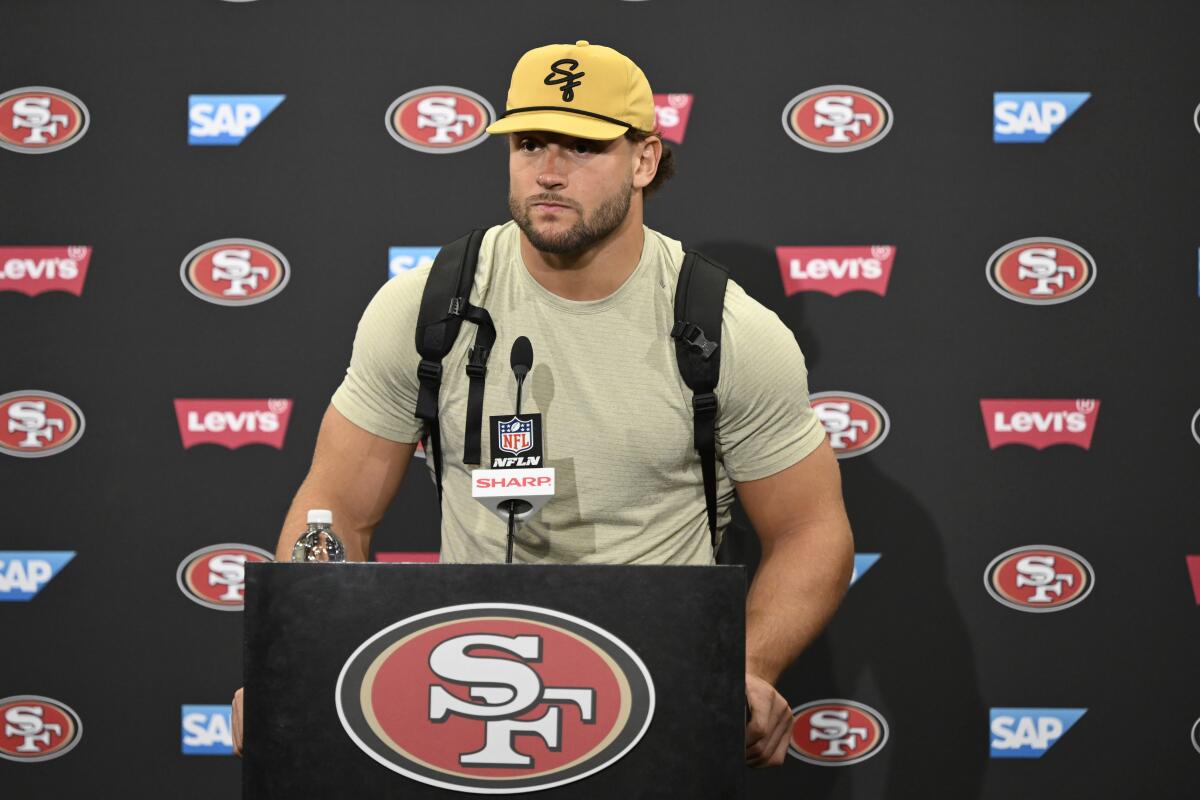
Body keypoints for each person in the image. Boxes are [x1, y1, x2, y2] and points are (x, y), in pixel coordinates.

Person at [232, 39, 854, 769]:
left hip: (657, 707)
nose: (550, 172)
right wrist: (297, 658)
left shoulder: (726, 330)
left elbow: (812, 531)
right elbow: (336, 505)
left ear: (645, 161)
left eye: (583, 146)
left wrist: (743, 670)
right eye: (529, 144)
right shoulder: (427, 307)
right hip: (469, 700)